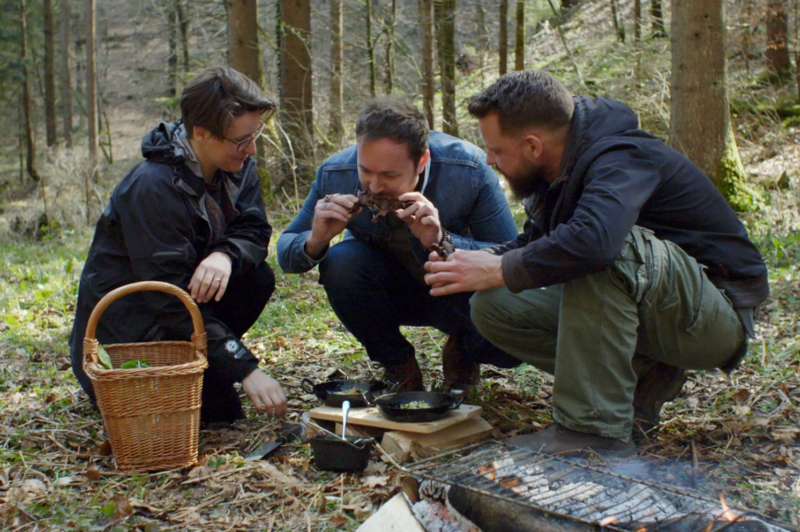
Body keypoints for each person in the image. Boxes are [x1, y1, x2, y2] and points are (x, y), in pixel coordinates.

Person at [424, 71, 769, 457]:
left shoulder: (621, 157)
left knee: (601, 248)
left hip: (714, 318)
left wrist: (500, 269)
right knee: (494, 305)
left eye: (496, 150)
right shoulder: (558, 171)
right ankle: (643, 379)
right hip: (656, 310)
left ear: (533, 146)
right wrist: (475, 260)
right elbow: (535, 245)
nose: (489, 160)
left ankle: (591, 433)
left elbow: (596, 243)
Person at [70, 66, 288, 424]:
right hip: (130, 337)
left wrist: (225, 254)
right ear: (201, 133)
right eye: (240, 140)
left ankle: (199, 368)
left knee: (256, 277)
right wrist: (244, 367)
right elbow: (168, 299)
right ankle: (187, 373)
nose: (251, 148)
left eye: (255, 134)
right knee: (218, 415)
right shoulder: (153, 187)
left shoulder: (237, 163)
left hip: (181, 311)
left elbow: (254, 229)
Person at [277, 97, 520, 394]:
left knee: (511, 338)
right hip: (387, 291)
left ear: (422, 160)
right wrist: (316, 239)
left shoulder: (468, 169)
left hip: (457, 295)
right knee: (341, 263)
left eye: (389, 175)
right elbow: (286, 253)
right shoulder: (335, 173)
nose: (375, 186)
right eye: (365, 171)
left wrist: (442, 240)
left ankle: (465, 351)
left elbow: (511, 256)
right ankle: (398, 364)